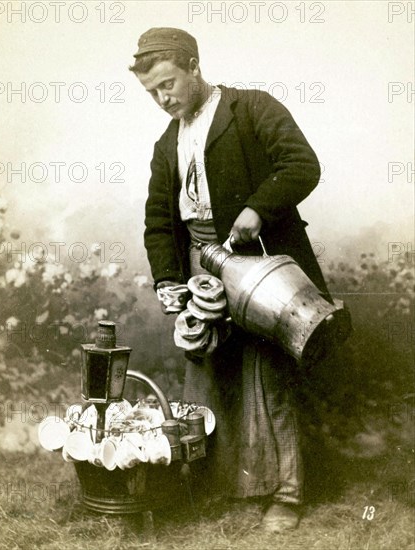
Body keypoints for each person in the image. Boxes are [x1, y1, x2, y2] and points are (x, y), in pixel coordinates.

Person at [129, 27, 329, 533]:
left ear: (194, 66)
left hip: (261, 266)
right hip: (202, 270)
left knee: (271, 378)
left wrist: (258, 209)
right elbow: (159, 221)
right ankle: (227, 486)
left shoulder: (252, 108)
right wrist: (168, 281)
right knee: (210, 378)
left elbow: (303, 165)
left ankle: (287, 495)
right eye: (151, 92)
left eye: (168, 84)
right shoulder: (166, 142)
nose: (161, 98)